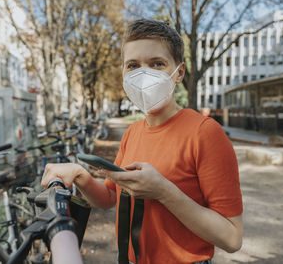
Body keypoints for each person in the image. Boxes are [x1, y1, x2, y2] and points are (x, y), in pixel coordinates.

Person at [41, 19, 243, 264]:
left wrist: (164, 192)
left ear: (178, 72)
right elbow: (109, 197)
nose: (143, 75)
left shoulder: (205, 133)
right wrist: (80, 174)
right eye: (133, 65)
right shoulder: (133, 132)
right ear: (124, 74)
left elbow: (232, 238)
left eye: (157, 64)